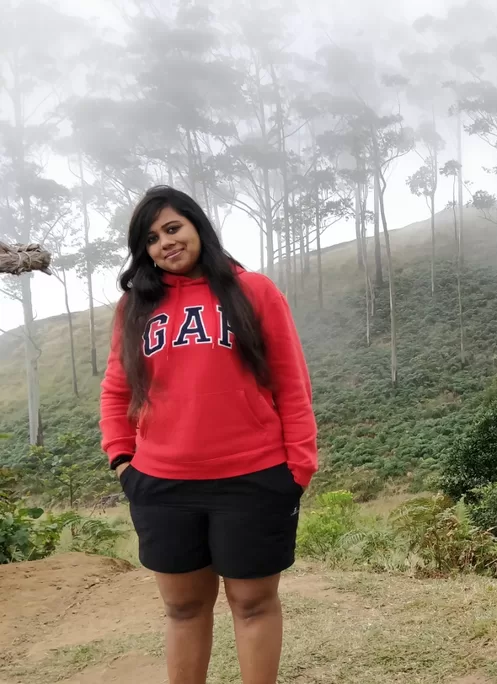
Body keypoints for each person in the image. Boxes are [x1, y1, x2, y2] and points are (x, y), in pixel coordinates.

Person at [99, 186, 318, 684]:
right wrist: (122, 461)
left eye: (172, 228)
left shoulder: (254, 291)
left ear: (197, 225)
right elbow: (115, 391)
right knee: (183, 610)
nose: (164, 244)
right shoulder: (134, 307)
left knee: (253, 604)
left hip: (254, 479)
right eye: (151, 239)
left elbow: (291, 383)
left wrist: (298, 467)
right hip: (161, 485)